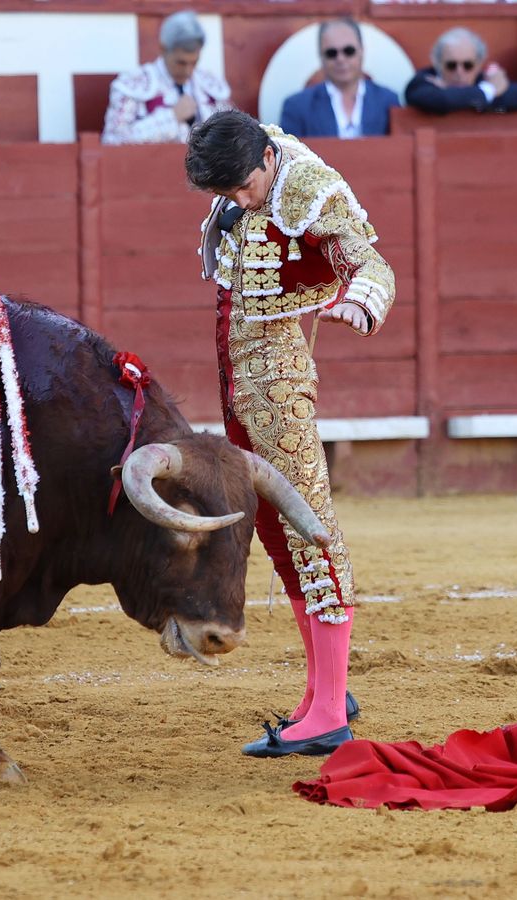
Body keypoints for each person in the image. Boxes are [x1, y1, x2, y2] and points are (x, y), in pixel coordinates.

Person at [186, 109, 396, 758]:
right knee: (277, 531)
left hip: (277, 382)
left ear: (268, 162)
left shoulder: (305, 187)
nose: (240, 200)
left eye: (245, 187)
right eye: (227, 192)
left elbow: (370, 262)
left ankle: (329, 713)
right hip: (238, 379)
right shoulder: (250, 163)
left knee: (311, 529)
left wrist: (358, 302)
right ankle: (324, 693)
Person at [102, 10, 231, 146]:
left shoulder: (211, 84)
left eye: (194, 62)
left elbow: (233, 136)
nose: (188, 71)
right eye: (180, 63)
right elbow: (112, 139)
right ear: (163, 48)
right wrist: (172, 117)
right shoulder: (133, 83)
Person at [279, 17, 401, 140]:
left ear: (362, 51)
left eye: (349, 51)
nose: (340, 59)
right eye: (331, 53)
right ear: (321, 57)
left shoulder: (388, 100)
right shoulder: (297, 106)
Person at [404, 27, 517, 115]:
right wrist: (489, 91)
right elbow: (441, 101)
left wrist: (470, 96)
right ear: (437, 63)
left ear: (479, 64)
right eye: (451, 65)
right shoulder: (423, 80)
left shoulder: (482, 80)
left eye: (467, 65)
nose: (459, 72)